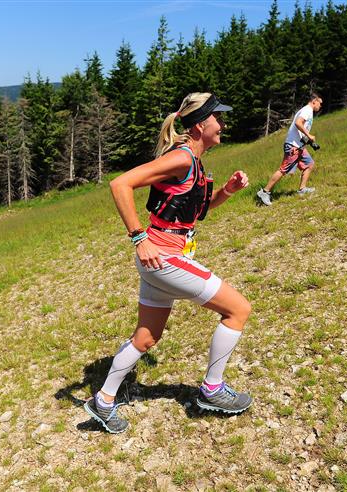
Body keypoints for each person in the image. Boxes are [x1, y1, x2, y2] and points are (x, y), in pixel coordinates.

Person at [83, 93, 253, 433]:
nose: (223, 124)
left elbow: (197, 212)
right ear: (200, 125)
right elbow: (120, 184)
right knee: (238, 309)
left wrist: (228, 191)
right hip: (164, 257)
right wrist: (138, 237)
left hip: (162, 259)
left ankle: (103, 400)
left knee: (146, 338)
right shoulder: (181, 158)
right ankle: (213, 389)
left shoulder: (193, 162)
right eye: (218, 118)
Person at [257, 93, 323, 206]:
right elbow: (298, 123)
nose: (320, 106)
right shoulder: (307, 110)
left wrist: (309, 141)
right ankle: (265, 192)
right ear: (314, 101)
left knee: (309, 164)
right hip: (293, 146)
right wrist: (309, 135)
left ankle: (302, 189)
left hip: (299, 146)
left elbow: (299, 130)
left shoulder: (307, 111)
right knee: (283, 170)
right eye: (320, 103)